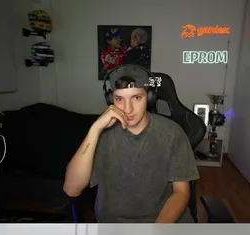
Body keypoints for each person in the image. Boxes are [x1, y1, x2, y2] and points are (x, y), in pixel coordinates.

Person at [62, 67, 199, 223]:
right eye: (119, 99)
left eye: (136, 98)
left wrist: (156, 232)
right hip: (115, 228)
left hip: (162, 222)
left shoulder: (172, 133)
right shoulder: (101, 134)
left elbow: (181, 193)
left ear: (149, 97)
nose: (128, 109)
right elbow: (71, 189)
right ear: (110, 100)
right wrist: (95, 130)